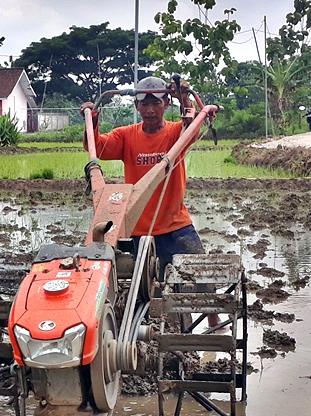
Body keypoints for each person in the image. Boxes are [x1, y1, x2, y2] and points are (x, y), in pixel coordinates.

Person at [80, 76, 222, 331]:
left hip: (175, 223)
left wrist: (184, 97)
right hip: (140, 229)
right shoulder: (126, 136)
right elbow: (98, 148)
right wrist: (93, 119)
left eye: (156, 103)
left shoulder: (175, 132)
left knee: (201, 273)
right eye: (144, 104)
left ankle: (214, 319)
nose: (150, 109)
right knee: (147, 287)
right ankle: (157, 326)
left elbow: (191, 129)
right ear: (136, 106)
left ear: (165, 104)